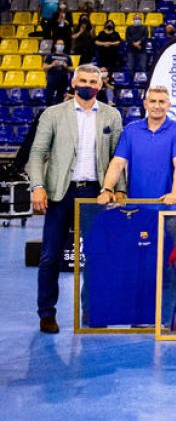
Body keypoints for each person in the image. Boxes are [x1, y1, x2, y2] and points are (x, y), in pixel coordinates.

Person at [27, 65, 124, 333]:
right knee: (50, 257)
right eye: (83, 80)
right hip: (60, 192)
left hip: (96, 193)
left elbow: (119, 157)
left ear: (101, 86)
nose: (89, 85)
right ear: (73, 81)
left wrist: (120, 190)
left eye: (94, 81)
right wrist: (37, 185)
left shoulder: (111, 115)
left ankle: (92, 311)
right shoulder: (53, 114)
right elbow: (37, 153)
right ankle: (47, 313)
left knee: (97, 254)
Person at [99, 85, 176, 204]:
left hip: (166, 204)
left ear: (168, 105)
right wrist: (107, 189)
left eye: (162, 102)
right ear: (145, 104)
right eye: (152, 101)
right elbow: (117, 163)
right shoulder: (131, 130)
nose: (157, 106)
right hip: (135, 204)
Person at [42, 39, 73, 106]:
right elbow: (44, 68)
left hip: (63, 80)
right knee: (49, 97)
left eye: (62, 44)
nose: (60, 46)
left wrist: (66, 66)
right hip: (52, 80)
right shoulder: (50, 56)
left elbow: (71, 69)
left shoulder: (67, 57)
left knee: (60, 99)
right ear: (55, 45)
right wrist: (52, 65)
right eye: (59, 44)